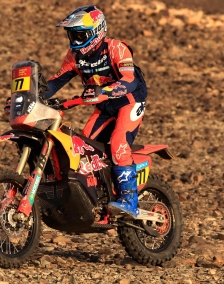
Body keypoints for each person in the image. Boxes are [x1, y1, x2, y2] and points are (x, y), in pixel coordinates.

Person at [44, 5, 148, 219]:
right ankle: (100, 197)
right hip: (104, 106)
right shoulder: (74, 56)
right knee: (85, 148)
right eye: (71, 35)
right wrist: (33, 93)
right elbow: (55, 81)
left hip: (129, 101)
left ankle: (129, 201)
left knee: (119, 143)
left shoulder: (117, 48)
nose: (74, 40)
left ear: (96, 32)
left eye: (79, 35)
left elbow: (130, 81)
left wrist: (106, 90)